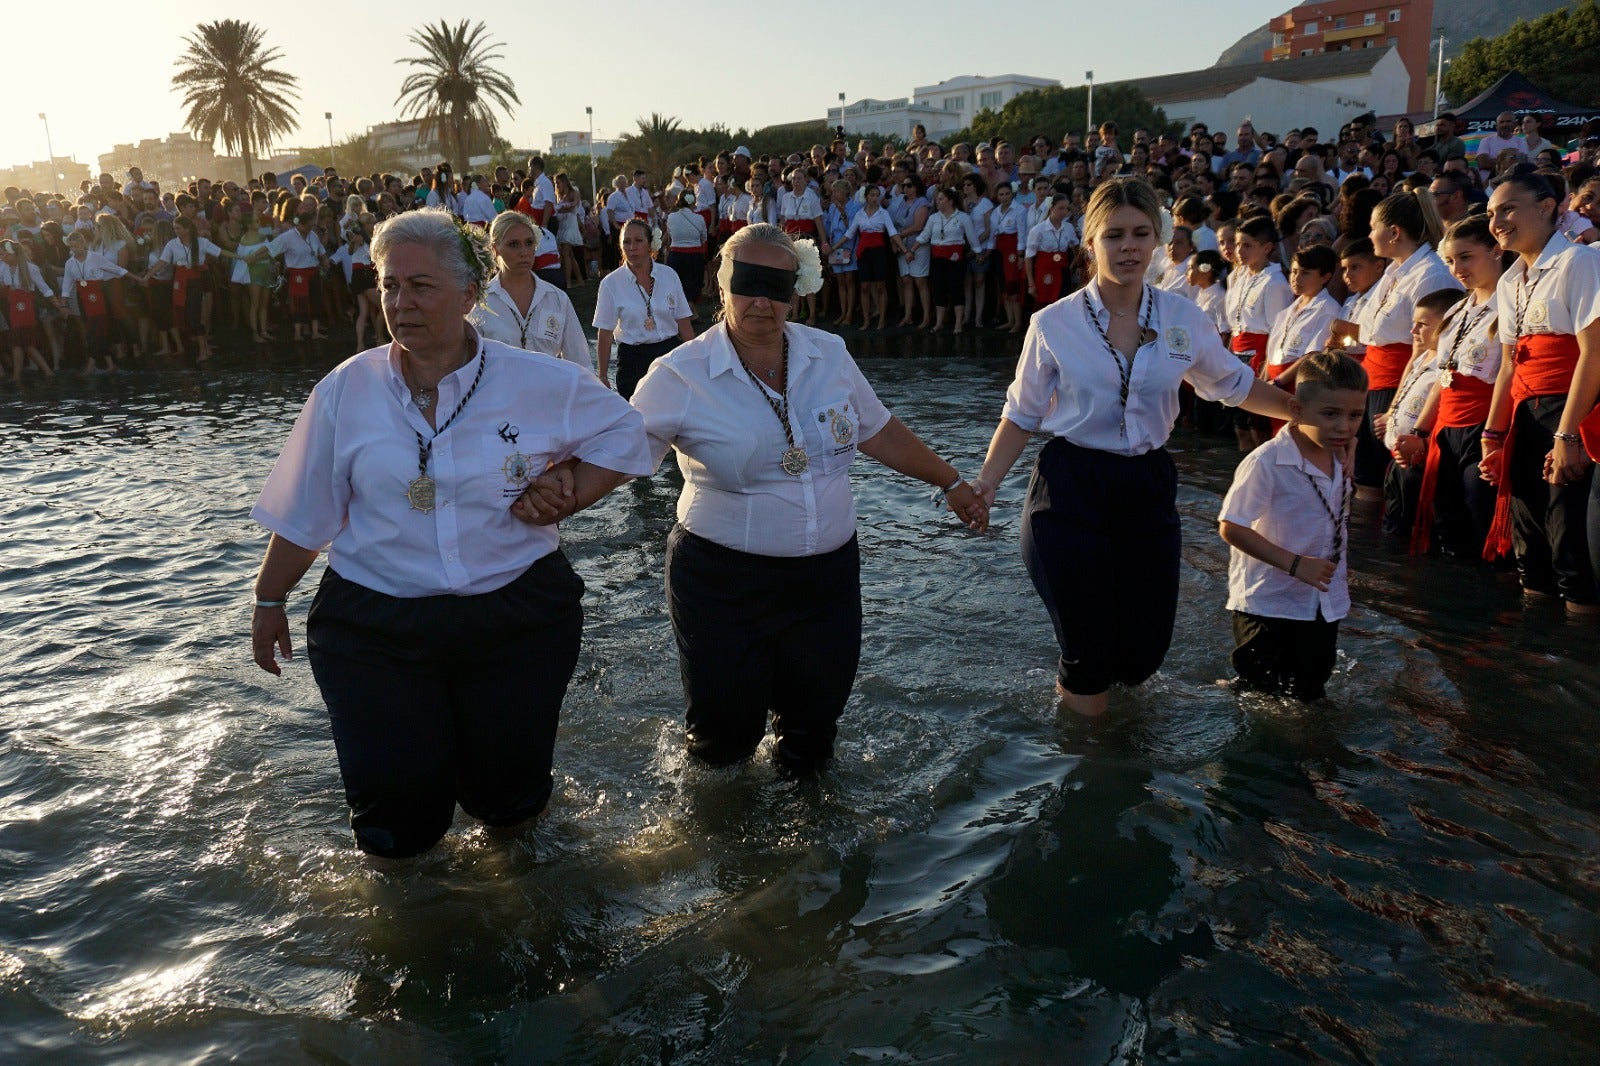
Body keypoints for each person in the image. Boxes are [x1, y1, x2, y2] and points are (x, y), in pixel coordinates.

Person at [248, 208, 653, 859]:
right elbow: (305, 510)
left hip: (515, 614)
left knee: (509, 803)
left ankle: (520, 910)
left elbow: (628, 432)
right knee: (395, 820)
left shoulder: (534, 379)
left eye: (421, 286)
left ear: (469, 296)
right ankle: (413, 924)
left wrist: (571, 490)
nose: (400, 303)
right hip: (375, 624)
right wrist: (270, 599)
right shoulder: (345, 391)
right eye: (388, 286)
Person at [623, 224, 987, 772]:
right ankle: (723, 846)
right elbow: (618, 454)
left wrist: (951, 481)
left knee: (813, 734)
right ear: (721, 287)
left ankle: (810, 844)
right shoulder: (679, 374)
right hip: (723, 585)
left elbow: (879, 430)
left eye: (777, 286)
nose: (762, 301)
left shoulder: (829, 354)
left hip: (826, 582)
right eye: (747, 283)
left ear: (798, 290)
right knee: (723, 742)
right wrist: (554, 493)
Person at [973, 180, 1294, 718]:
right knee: (1089, 651)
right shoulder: (1052, 323)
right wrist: (984, 485)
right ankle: (1090, 771)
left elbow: (1234, 385)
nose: (1129, 246)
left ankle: (1112, 739)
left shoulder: (1183, 317)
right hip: (1070, 488)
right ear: (1090, 242)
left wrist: (1302, 411)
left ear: (1158, 240)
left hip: (1146, 483)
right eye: (1115, 234)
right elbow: (1022, 413)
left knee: (1143, 654)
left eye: (1141, 233)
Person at [1479, 171, 1600, 614]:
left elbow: (1594, 354)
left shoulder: (1580, 263)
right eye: (1492, 213)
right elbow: (1510, 365)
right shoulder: (1510, 280)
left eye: (1508, 208)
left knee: (1570, 546)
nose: (1497, 221)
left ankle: (1576, 664)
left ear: (1548, 207)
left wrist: (1567, 437)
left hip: (1569, 413)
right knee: (1531, 548)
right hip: (1526, 419)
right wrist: (1493, 435)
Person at [1218, 350, 1367, 702]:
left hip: (1322, 602)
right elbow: (1231, 526)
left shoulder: (1339, 451)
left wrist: (1351, 445)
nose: (1344, 427)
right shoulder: (1267, 463)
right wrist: (1295, 565)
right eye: (1330, 414)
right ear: (1297, 410)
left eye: (1355, 415)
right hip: (1268, 604)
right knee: (1261, 697)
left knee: (1310, 692)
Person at [1352, 190, 1458, 498]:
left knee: (1395, 481)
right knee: (1367, 478)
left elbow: (1428, 347)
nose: (1369, 234)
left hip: (1400, 384)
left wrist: (1397, 406)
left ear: (1394, 232)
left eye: (1374, 227)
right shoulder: (1393, 271)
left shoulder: (1431, 275)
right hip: (1373, 382)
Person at [1411, 215, 1506, 557]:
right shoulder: (1457, 310)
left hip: (1485, 421)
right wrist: (1421, 431)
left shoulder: (1511, 302)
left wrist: (1494, 435)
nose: (1457, 269)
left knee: (1481, 505)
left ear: (1496, 251)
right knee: (1448, 519)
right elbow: (1443, 375)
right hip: (1447, 426)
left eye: (1466, 257)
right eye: (1450, 260)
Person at [1380, 288, 1463, 538]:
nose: (1413, 331)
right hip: (1398, 456)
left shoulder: (1444, 368)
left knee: (1411, 527)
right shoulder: (1423, 357)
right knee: (1393, 522)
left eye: (1422, 325)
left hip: (1418, 458)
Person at [470, 211, 590, 368]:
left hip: (549, 391)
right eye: (514, 244)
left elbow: (580, 361)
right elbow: (470, 365)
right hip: (501, 391)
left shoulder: (557, 298)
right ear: (495, 249)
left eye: (529, 243)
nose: (524, 252)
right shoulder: (480, 302)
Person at [593, 218, 694, 398]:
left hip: (669, 355)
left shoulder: (669, 275)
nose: (632, 247)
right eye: (627, 241)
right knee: (639, 417)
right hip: (633, 361)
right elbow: (605, 333)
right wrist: (602, 375)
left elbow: (683, 322)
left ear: (650, 245)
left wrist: (695, 360)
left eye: (638, 240)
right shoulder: (611, 283)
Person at [914, 187, 980, 333]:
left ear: (950, 201)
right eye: (937, 199)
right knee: (939, 290)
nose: (938, 201)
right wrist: (912, 250)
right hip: (938, 257)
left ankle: (958, 323)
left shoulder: (963, 217)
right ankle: (939, 322)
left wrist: (978, 252)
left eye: (941, 199)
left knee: (956, 289)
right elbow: (924, 236)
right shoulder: (934, 218)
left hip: (955, 258)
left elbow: (972, 238)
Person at [839, 182, 895, 330]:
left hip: (879, 251)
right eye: (872, 195)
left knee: (880, 285)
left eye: (877, 195)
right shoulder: (859, 214)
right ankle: (866, 320)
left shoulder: (883, 213)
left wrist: (906, 250)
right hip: (864, 252)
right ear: (866, 197)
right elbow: (849, 234)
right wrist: (833, 248)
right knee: (864, 286)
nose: (875, 198)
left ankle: (882, 318)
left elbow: (892, 232)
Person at [1023, 193, 1079, 308]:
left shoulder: (1068, 228)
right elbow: (1029, 257)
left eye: (1067, 209)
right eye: (1060, 208)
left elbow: (1076, 248)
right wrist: (1031, 283)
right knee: (1044, 305)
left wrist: (1073, 266)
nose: (1064, 212)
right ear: (1052, 208)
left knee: (1062, 305)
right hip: (1044, 272)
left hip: (1062, 272)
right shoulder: (1038, 230)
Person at [663, 188, 709, 308]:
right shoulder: (699, 219)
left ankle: (682, 312)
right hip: (694, 256)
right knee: (693, 284)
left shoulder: (671, 217)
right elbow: (704, 237)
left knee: (676, 284)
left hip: (676, 255)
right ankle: (689, 311)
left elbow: (670, 236)